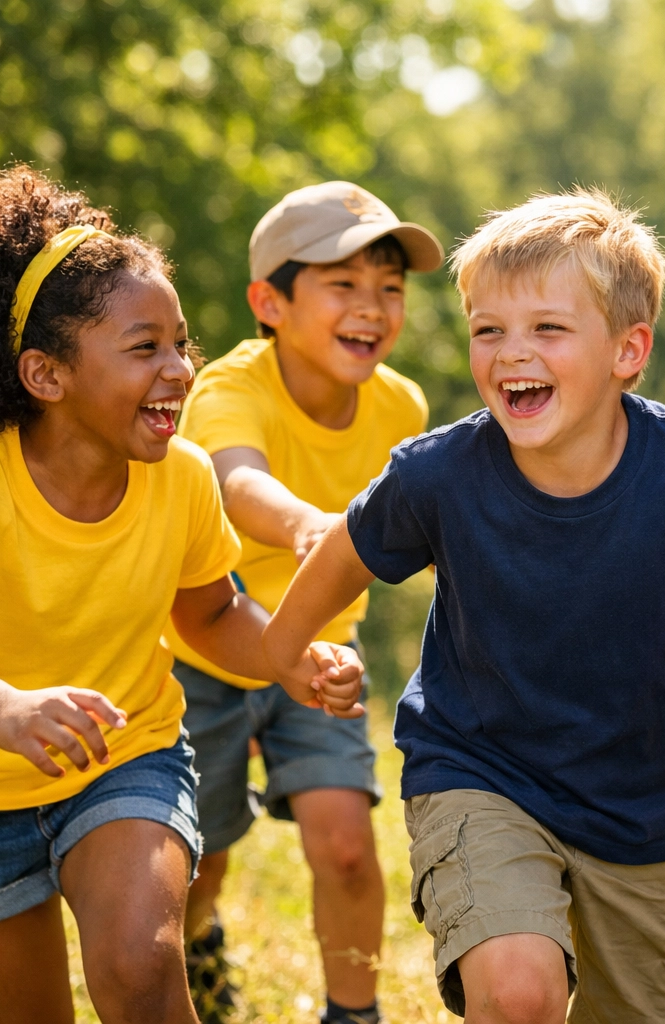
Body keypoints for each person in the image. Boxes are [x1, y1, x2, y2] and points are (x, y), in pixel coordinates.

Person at [262, 188, 665, 1023]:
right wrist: (290, 649)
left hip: (646, 805)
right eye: (489, 330)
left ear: (629, 350)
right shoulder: (437, 473)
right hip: (481, 771)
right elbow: (345, 549)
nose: (512, 352)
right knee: (517, 996)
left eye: (548, 329)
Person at [0, 167, 362, 1024]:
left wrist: (286, 656)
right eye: (145, 349)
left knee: (139, 966)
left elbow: (208, 612)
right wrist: (1, 706)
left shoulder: (184, 479)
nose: (179, 369)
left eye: (181, 343)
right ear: (46, 376)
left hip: (123, 756)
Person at [165, 181, 443, 1024]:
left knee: (348, 847)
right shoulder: (228, 387)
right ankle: (197, 943)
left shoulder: (401, 404)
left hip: (322, 653)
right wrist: (306, 525)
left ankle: (352, 1013)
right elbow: (233, 476)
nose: (374, 308)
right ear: (269, 302)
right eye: (343, 284)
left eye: (390, 288)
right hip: (202, 653)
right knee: (197, 862)